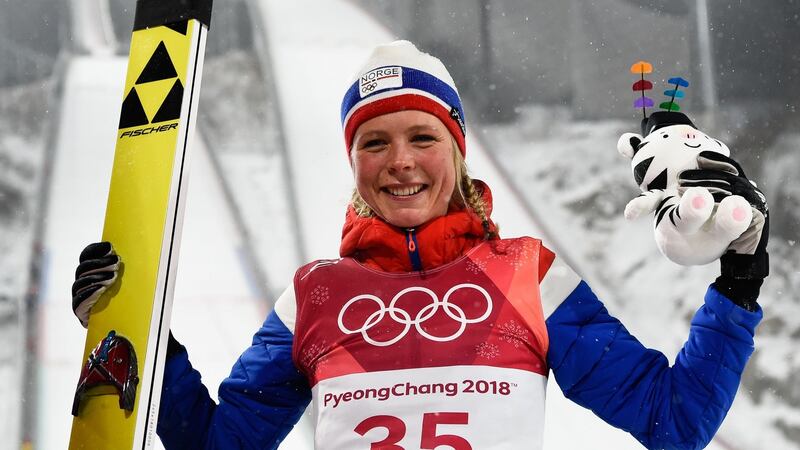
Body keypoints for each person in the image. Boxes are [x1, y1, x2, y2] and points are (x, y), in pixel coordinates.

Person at [72, 40, 768, 449]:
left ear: (457, 152)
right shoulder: (315, 296)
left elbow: (673, 421)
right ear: (355, 163)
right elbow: (219, 446)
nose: (399, 161)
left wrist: (739, 275)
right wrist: (141, 333)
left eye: (422, 138)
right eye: (374, 142)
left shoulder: (527, 278)